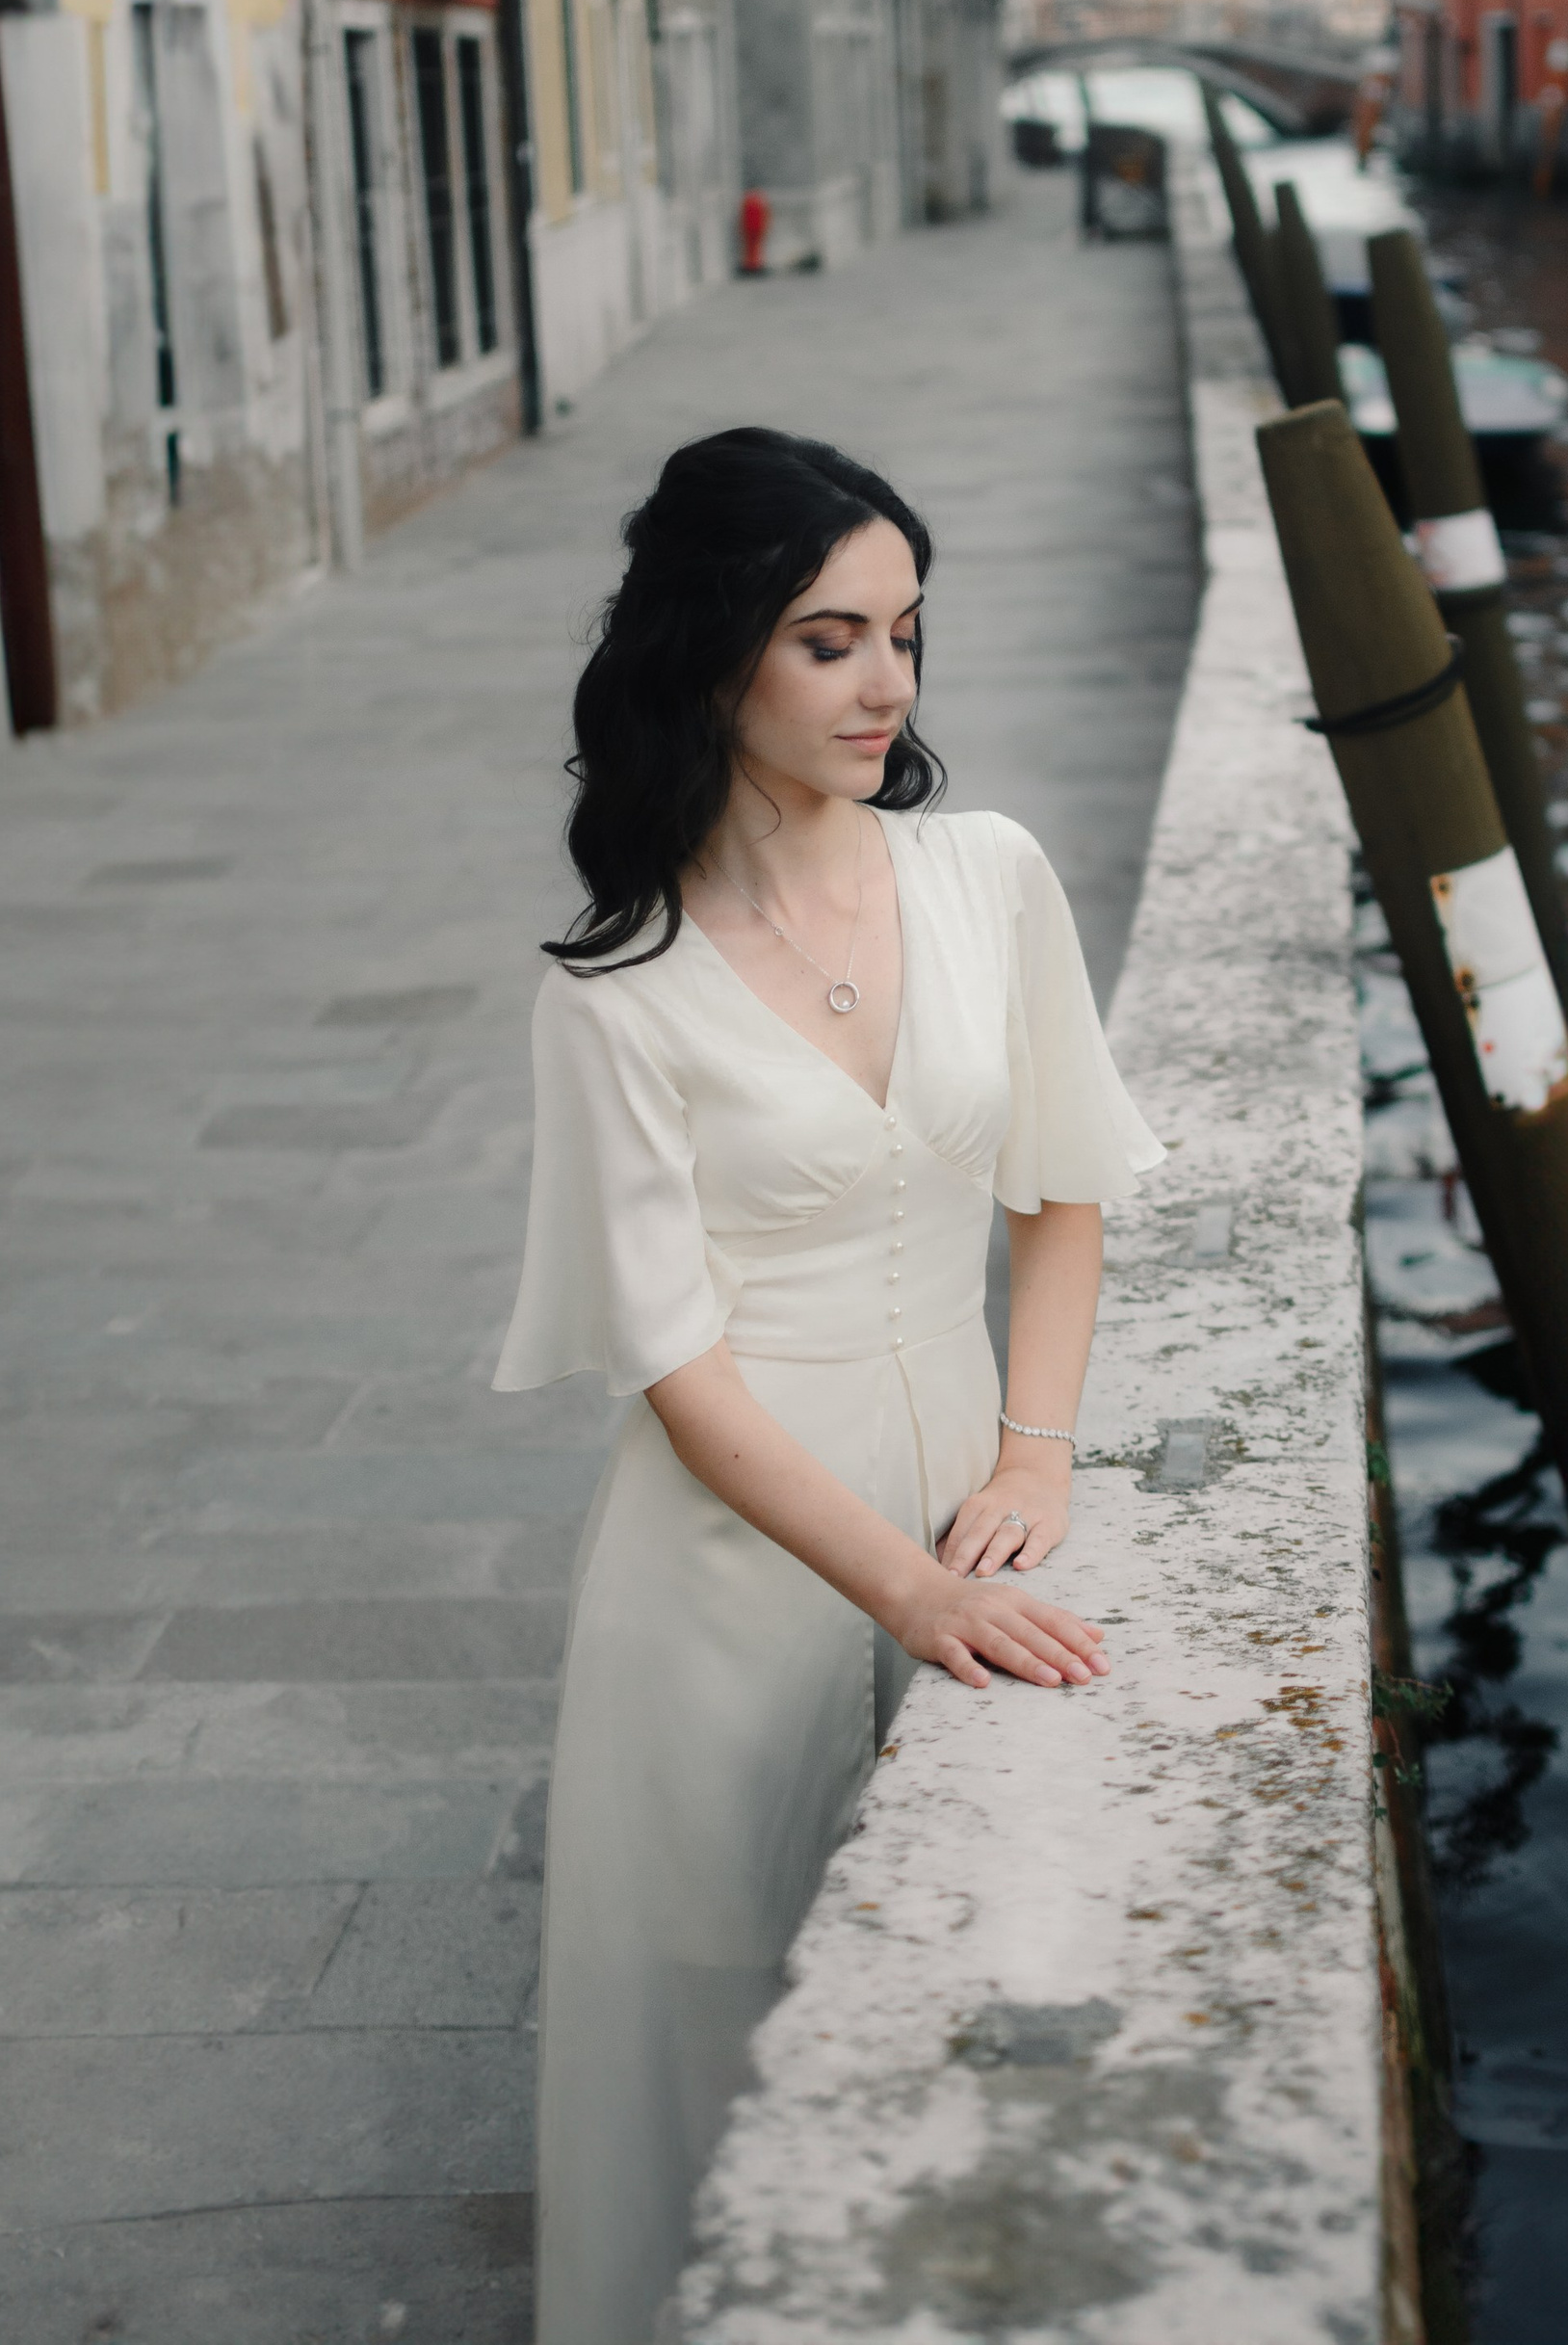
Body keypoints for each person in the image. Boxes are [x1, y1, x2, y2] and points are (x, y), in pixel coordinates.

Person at [493, 427, 1163, 2345]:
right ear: (716, 656)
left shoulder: (986, 874)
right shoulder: (613, 985)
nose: (888, 684)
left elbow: (1059, 1185)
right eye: (829, 639)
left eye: (907, 633)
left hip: (965, 1465)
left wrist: (1032, 1449)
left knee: (970, 1986)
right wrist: (909, 1587)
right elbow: (682, 1372)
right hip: (728, 1569)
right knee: (717, 2030)